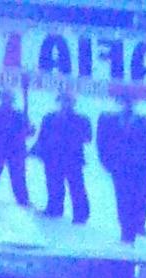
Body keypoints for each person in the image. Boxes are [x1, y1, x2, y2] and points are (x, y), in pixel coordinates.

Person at [96, 97, 146, 243]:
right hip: (120, 167)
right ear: (119, 103)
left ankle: (139, 226)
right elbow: (102, 143)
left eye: (130, 102)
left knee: (141, 198)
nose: (127, 105)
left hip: (143, 167)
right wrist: (107, 162)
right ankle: (126, 231)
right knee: (123, 199)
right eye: (124, 102)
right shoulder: (108, 121)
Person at [30, 88, 92, 224]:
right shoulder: (49, 118)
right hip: (53, 159)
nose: (66, 104)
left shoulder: (82, 120)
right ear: (59, 102)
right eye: (63, 101)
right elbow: (42, 137)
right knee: (54, 185)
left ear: (73, 103)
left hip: (73, 159)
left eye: (69, 101)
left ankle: (81, 214)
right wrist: (37, 151)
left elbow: (88, 138)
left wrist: (71, 135)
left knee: (77, 187)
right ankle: (54, 209)